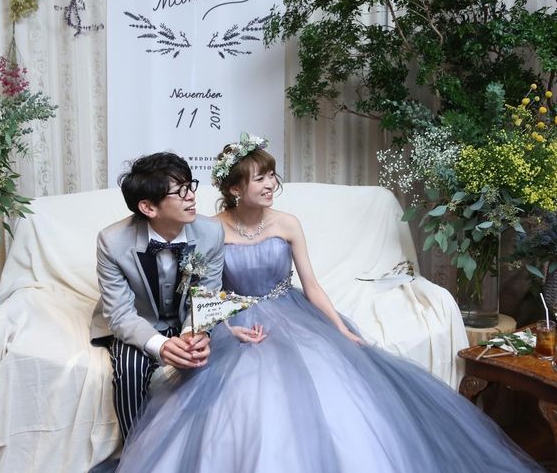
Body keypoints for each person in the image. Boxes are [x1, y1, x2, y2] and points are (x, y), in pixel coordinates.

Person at [115, 135, 543, 472]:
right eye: (259, 179)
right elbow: (202, 292)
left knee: (331, 377)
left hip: (290, 310)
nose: (270, 185)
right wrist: (224, 327)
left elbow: (313, 286)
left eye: (272, 176)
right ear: (234, 188)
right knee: (244, 390)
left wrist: (340, 328)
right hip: (236, 316)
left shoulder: (287, 223)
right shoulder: (207, 229)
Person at [89, 152, 225, 440]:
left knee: (211, 362)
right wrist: (160, 346)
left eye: (190, 185)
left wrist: (193, 334)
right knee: (129, 369)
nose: (192, 196)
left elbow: (207, 295)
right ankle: (135, 450)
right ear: (148, 207)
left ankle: (198, 448)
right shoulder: (112, 242)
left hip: (187, 319)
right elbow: (120, 313)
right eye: (180, 191)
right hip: (139, 322)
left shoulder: (211, 232)